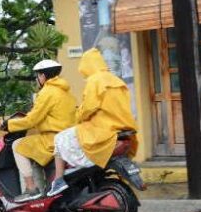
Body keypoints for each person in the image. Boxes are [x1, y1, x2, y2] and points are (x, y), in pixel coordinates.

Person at [47, 48, 137, 197]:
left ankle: (58, 180)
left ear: (88, 65)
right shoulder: (116, 80)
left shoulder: (95, 80)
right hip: (123, 127)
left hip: (103, 128)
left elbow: (88, 107)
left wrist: (78, 115)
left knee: (60, 138)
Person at [0, 59, 76, 202]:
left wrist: (8, 125)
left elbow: (32, 120)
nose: (37, 79)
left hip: (52, 139)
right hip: (68, 137)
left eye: (37, 76)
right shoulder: (65, 91)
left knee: (17, 145)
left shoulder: (46, 92)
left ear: (43, 76)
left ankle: (31, 189)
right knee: (31, 148)